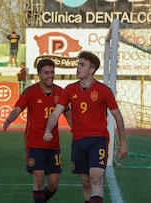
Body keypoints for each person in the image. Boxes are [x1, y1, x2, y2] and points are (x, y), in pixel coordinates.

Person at [43, 51, 128, 203]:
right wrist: (48, 130)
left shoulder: (103, 90)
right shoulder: (69, 89)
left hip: (98, 140)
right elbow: (56, 113)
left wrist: (123, 143)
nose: (78, 68)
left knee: (95, 178)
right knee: (86, 182)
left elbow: (118, 117)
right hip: (78, 141)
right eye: (78, 64)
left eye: (82, 65)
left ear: (91, 70)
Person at [3, 59, 71, 203]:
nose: (50, 76)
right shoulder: (31, 91)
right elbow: (17, 109)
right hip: (34, 142)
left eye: (52, 72)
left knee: (53, 184)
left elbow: (68, 113)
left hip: (53, 144)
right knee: (39, 178)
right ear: (39, 74)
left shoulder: (60, 92)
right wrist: (9, 119)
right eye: (46, 73)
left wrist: (77, 130)